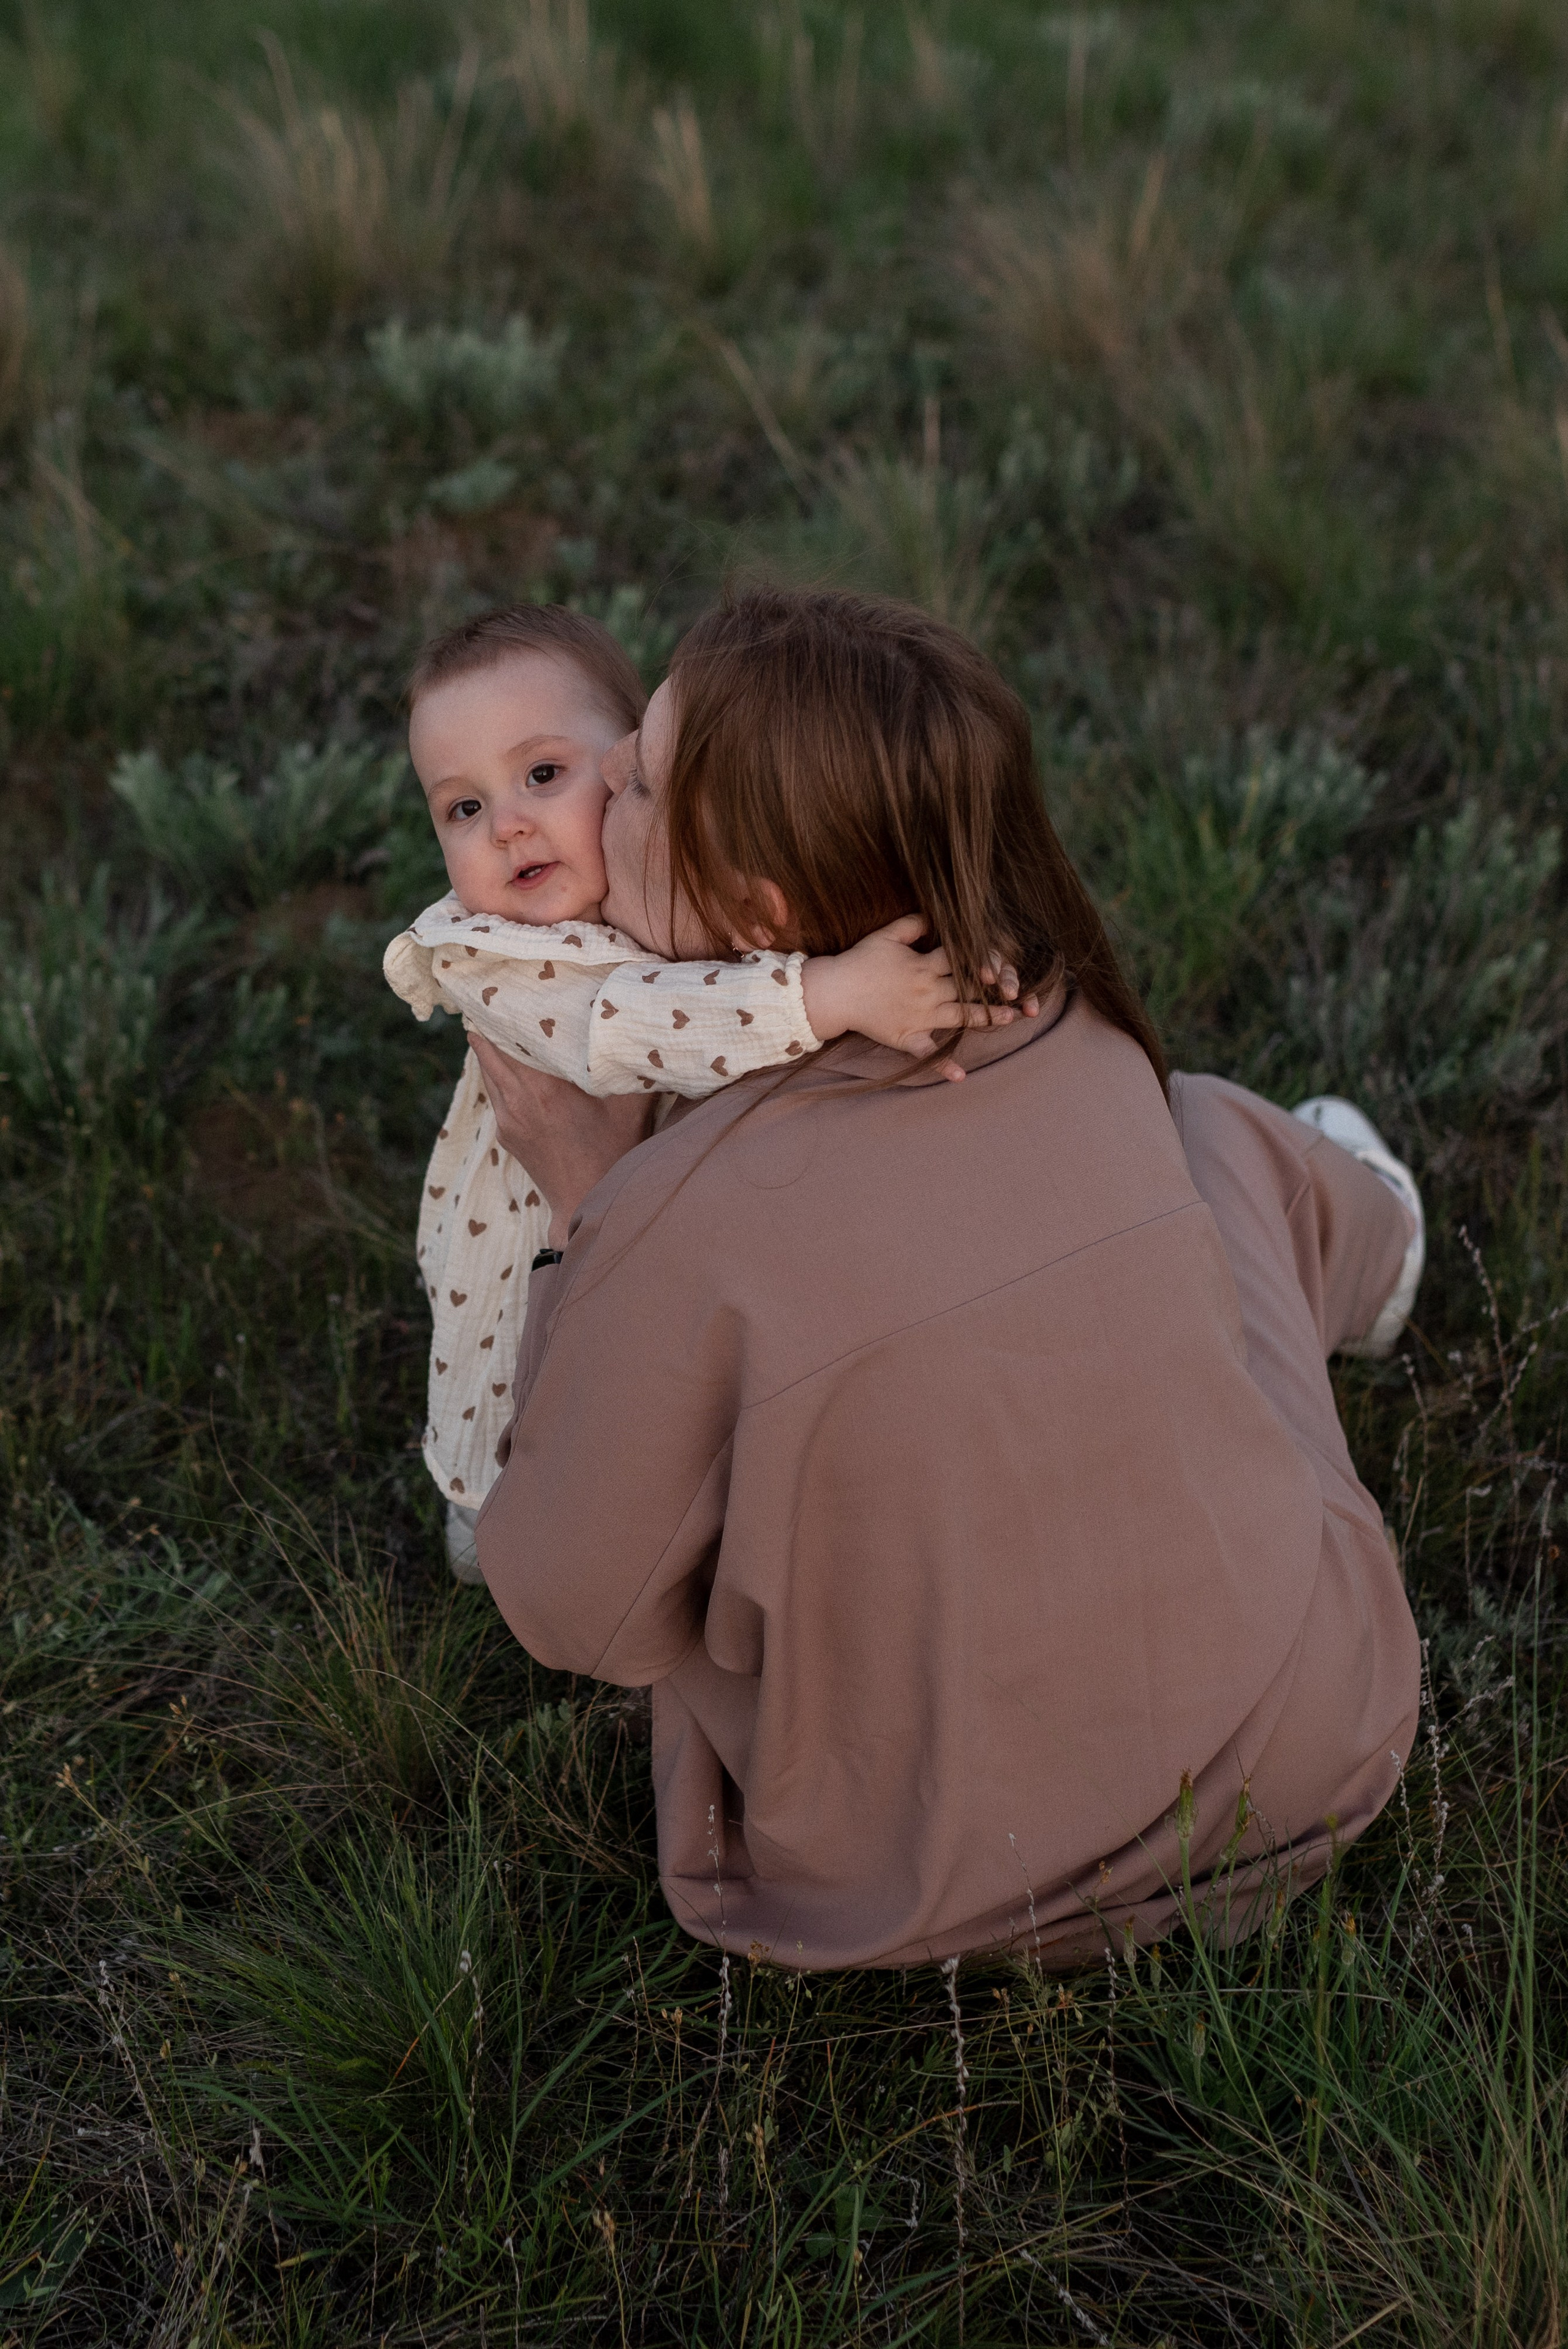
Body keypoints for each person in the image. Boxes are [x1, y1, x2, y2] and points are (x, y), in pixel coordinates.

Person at [470, 587, 1423, 1971]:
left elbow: (567, 1610)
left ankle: (1368, 1230)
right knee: (1209, 1130)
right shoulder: (1075, 1028)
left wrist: (579, 1204)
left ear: (761, 906)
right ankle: (1378, 1232)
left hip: (921, 1875)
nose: (603, 773)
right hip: (1299, 1750)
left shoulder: (678, 1216)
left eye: (648, 777)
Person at [385, 605, 1023, 1574]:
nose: (508, 824)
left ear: (622, 763)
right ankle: (494, 1505)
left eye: (542, 775)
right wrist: (834, 992)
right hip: (524, 1247)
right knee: (514, 1381)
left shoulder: (643, 877)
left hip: (679, 1218)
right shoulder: (489, 955)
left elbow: (761, 924)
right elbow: (631, 1024)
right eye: (461, 809)